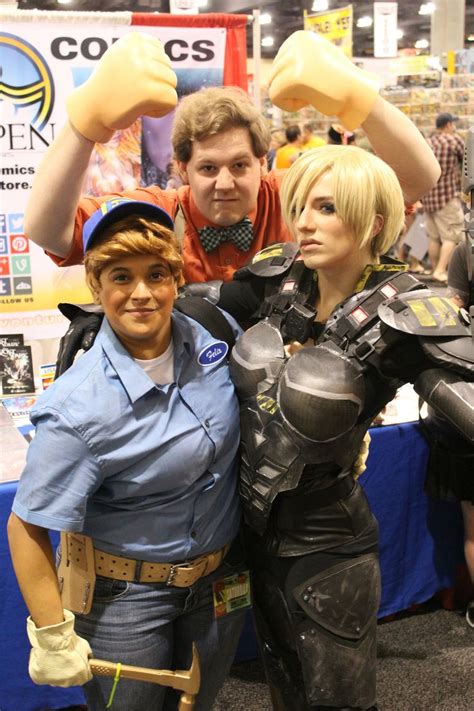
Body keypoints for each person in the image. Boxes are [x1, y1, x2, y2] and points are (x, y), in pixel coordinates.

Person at [199, 144, 474, 710]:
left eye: (326, 207)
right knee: (285, 688)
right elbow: (192, 306)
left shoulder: (405, 310)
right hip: (252, 531)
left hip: (329, 543)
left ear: (372, 221)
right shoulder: (279, 283)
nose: (304, 221)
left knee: (339, 701)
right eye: (302, 205)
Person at [7, 199, 247, 711]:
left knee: (202, 705)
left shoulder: (213, 336)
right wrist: (53, 634)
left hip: (220, 583)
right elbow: (25, 527)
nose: (142, 293)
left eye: (156, 273)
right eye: (121, 276)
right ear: (96, 287)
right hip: (125, 604)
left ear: (175, 278)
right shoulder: (78, 409)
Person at [24, 30, 440, 286]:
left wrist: (361, 98)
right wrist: (85, 121)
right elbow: (50, 232)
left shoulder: (298, 198)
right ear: (182, 170)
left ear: (263, 162)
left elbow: (416, 179)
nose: (225, 183)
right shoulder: (155, 215)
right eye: (207, 168)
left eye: (239, 165)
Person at [421, 112, 465, 284]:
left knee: (434, 237)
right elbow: (468, 159)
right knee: (451, 237)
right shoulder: (453, 141)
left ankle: (434, 268)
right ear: (448, 125)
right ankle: (440, 271)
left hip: (429, 198)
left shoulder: (428, 142)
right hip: (447, 197)